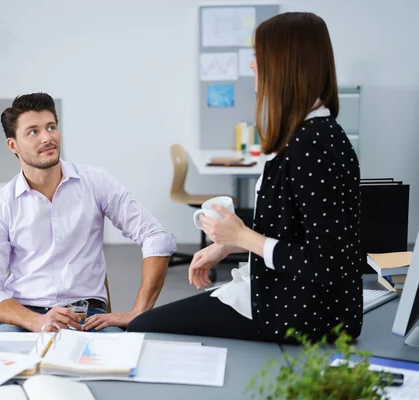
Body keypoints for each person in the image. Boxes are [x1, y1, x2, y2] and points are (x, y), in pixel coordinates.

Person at [128, 12, 363, 343]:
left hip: (302, 314)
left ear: (285, 64)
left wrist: (241, 237)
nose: (252, 66)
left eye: (258, 56)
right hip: (286, 297)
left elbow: (327, 263)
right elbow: (293, 229)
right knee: (150, 324)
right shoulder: (308, 135)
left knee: (143, 329)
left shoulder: (311, 144)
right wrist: (227, 245)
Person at [0, 92, 176, 333]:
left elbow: (156, 237)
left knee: (118, 364)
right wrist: (35, 321)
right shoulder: (0, 206)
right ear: (13, 145)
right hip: (25, 318)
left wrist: (138, 313)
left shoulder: (96, 182)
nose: (47, 137)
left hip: (87, 317)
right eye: (33, 132)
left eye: (51, 127)